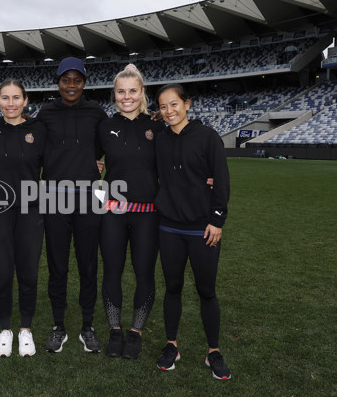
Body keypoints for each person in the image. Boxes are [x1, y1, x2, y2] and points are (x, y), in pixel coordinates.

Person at [154, 83, 231, 380]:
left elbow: (221, 180)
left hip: (203, 228)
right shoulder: (158, 138)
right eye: (163, 106)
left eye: (174, 104)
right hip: (169, 226)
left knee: (206, 291)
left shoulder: (208, 137)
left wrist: (216, 220)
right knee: (172, 288)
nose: (169, 111)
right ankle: (172, 345)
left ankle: (213, 351)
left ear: (187, 104)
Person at [37, 57, 108, 353]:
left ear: (84, 83)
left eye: (77, 80)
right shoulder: (45, 113)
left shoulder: (96, 112)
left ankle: (88, 325)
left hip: (91, 196)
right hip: (54, 196)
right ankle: (58, 326)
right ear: (58, 83)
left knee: (88, 264)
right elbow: (29, 144)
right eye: (66, 80)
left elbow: (111, 145)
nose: (71, 85)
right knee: (57, 265)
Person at [98, 64, 165, 359]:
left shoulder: (156, 126)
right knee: (111, 271)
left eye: (132, 91)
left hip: (147, 214)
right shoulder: (103, 126)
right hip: (113, 212)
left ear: (141, 94)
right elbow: (84, 161)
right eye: (121, 91)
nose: (127, 96)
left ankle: (136, 332)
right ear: (115, 94)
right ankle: (115, 330)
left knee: (144, 273)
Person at [0, 79, 46, 357]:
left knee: (28, 271)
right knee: (3, 271)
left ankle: (26, 329)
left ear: (26, 100)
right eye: (5, 98)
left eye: (16, 97)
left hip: (31, 209)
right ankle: (5, 328)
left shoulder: (39, 130)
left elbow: (58, 160)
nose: (10, 103)